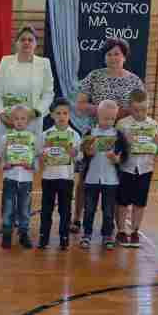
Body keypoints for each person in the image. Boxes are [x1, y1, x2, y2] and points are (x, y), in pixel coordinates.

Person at [0, 25, 55, 144]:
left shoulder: (44, 63)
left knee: (30, 153)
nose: (26, 42)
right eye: (23, 39)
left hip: (32, 120)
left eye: (30, 40)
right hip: (7, 120)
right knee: (4, 153)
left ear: (35, 43)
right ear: (17, 43)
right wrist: (0, 114)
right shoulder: (5, 61)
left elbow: (48, 94)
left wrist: (35, 112)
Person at [115, 89, 158, 248]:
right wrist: (125, 142)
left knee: (140, 203)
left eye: (144, 109)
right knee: (122, 202)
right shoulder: (122, 124)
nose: (140, 113)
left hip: (145, 169)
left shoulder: (153, 124)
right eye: (136, 110)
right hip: (126, 168)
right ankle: (121, 230)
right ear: (129, 107)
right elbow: (116, 147)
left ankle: (135, 230)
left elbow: (157, 147)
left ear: (148, 107)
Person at [80, 100, 129, 250]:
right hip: (91, 178)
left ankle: (107, 235)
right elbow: (83, 154)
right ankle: (86, 234)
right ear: (98, 116)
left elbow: (125, 155)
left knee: (108, 210)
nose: (108, 122)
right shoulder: (90, 133)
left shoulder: (118, 135)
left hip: (111, 180)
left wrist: (117, 159)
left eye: (112, 119)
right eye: (105, 118)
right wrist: (88, 153)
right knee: (89, 209)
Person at [39, 98, 82, 251]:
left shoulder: (74, 135)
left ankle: (64, 238)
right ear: (51, 115)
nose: (62, 116)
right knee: (46, 210)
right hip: (48, 177)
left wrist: (74, 153)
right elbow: (39, 155)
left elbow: (80, 157)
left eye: (65, 113)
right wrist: (43, 155)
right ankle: (43, 237)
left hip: (66, 178)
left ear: (70, 115)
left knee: (65, 210)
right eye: (58, 113)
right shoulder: (45, 135)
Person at [0, 104, 39, 250]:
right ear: (11, 120)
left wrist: (32, 166)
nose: (19, 121)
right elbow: (0, 158)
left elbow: (37, 158)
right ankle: (7, 233)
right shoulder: (5, 138)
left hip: (26, 179)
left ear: (28, 121)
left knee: (25, 208)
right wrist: (4, 165)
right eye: (16, 119)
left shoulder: (33, 138)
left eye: (23, 119)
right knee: (8, 207)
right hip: (10, 178)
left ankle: (23, 233)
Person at [77, 38, 145, 119]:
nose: (112, 58)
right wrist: (102, 110)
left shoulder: (135, 81)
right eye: (109, 54)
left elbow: (141, 108)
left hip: (126, 125)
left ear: (124, 57)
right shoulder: (94, 76)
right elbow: (80, 105)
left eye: (116, 54)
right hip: (98, 125)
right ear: (104, 58)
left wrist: (122, 113)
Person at [70, 91, 97, 234]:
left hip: (112, 135)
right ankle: (77, 217)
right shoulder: (93, 77)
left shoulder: (133, 80)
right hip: (86, 141)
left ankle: (106, 221)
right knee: (82, 181)